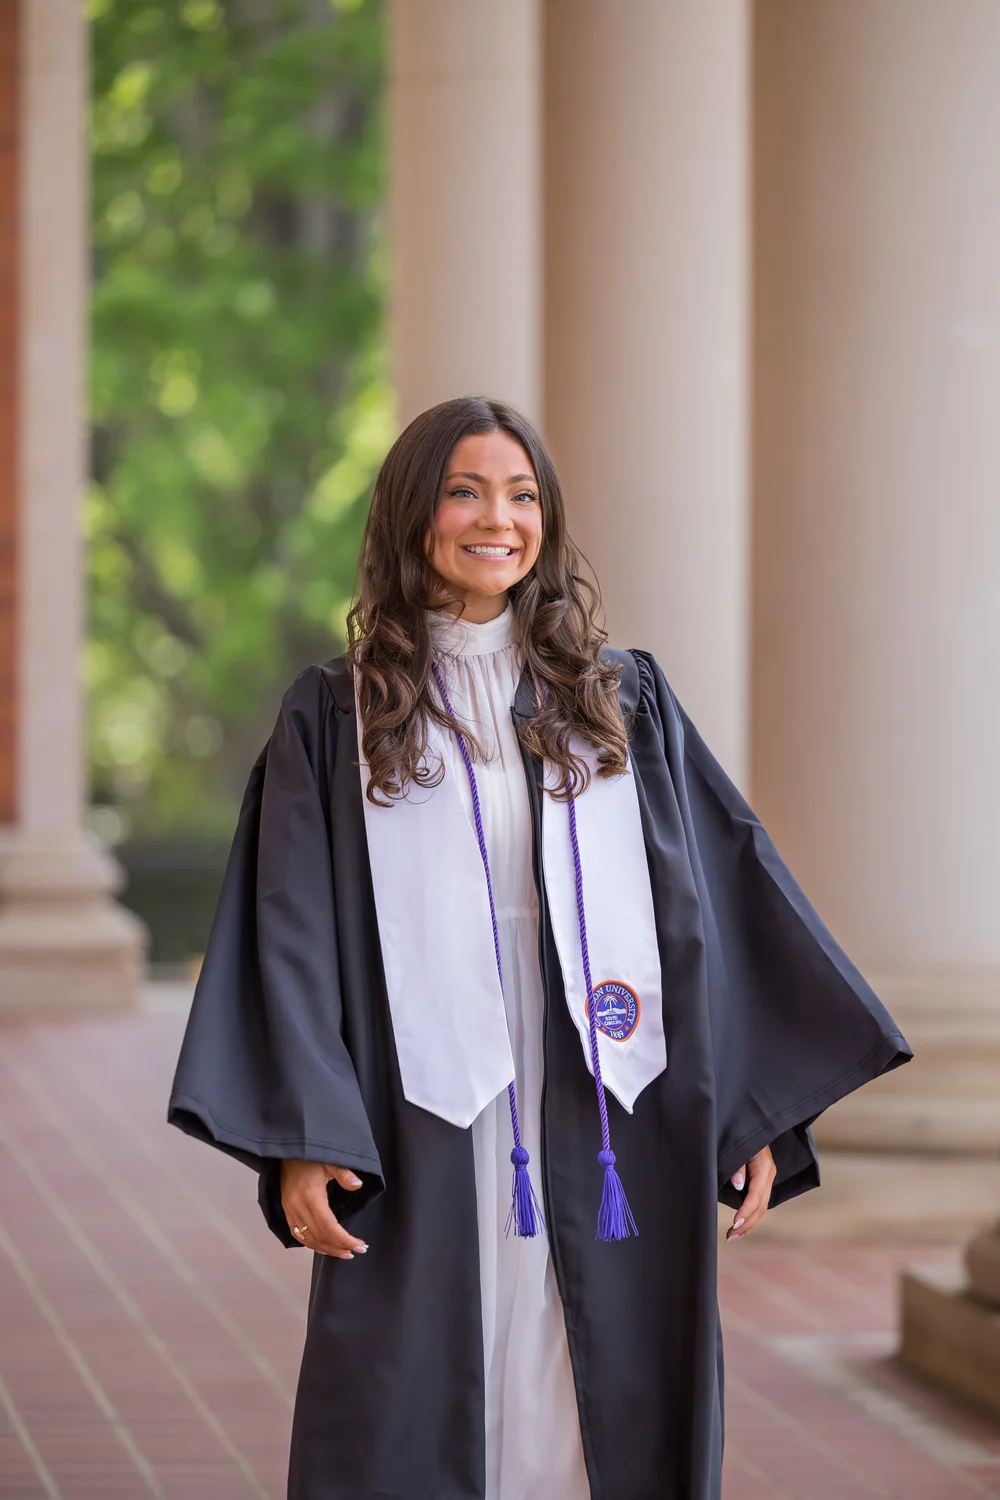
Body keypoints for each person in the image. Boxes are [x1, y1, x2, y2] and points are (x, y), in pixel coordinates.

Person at [168, 395, 911, 1500]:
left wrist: (750, 1105)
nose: (497, 519)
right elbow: (290, 927)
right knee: (426, 1351)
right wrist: (304, 1128)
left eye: (521, 495)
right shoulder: (338, 713)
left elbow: (714, 890)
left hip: (606, 1087)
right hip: (422, 1090)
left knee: (595, 1355)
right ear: (413, 514)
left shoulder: (618, 701)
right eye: (465, 490)